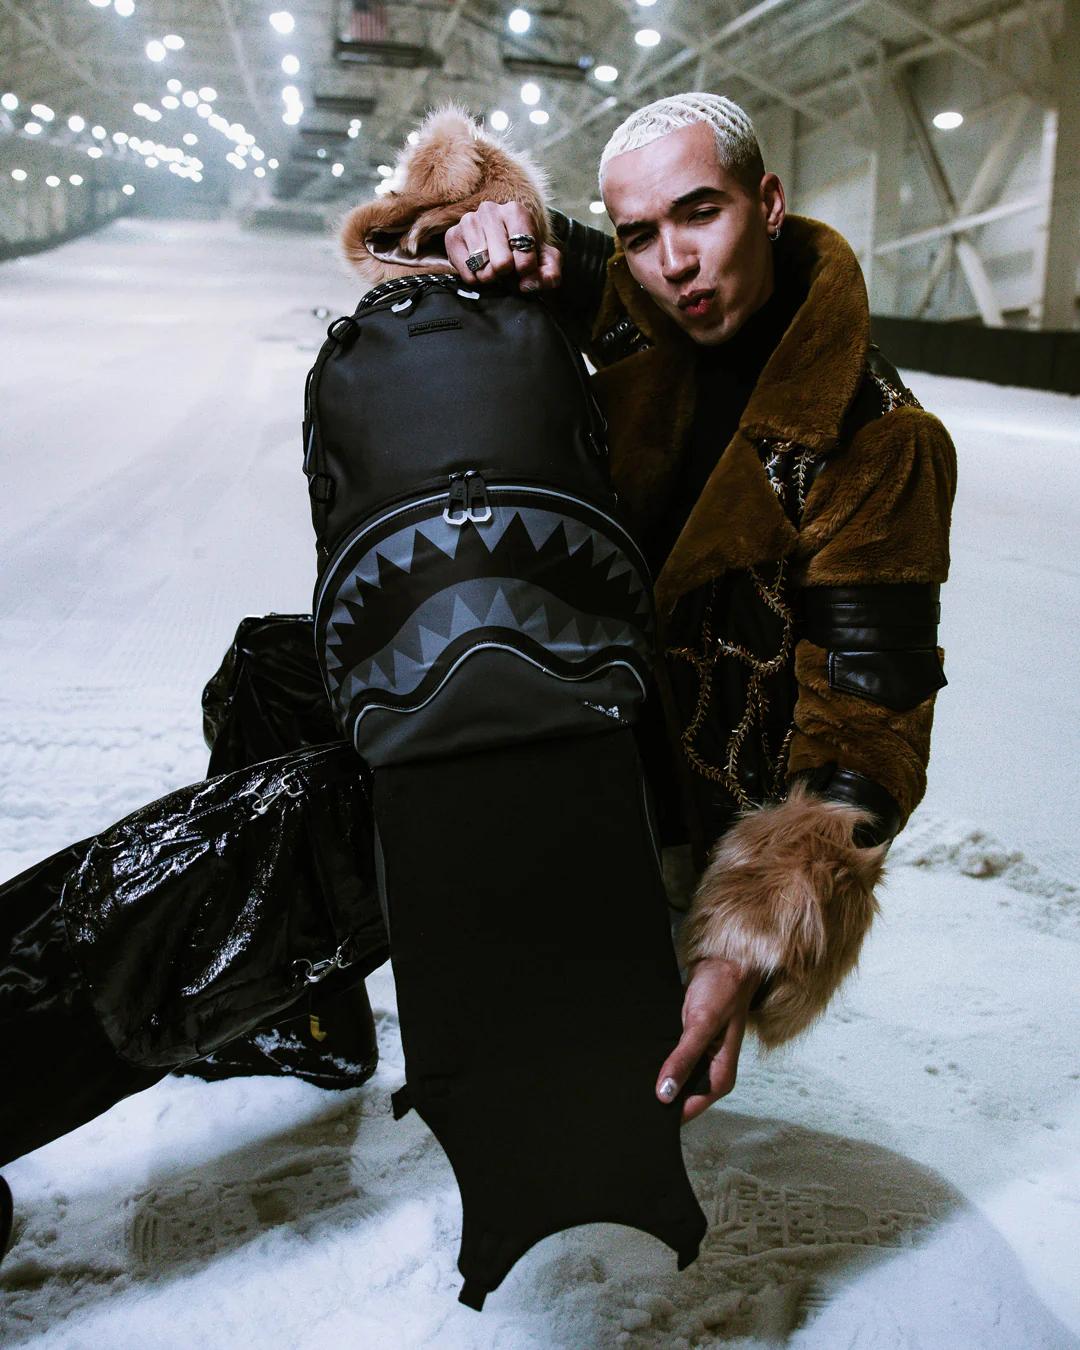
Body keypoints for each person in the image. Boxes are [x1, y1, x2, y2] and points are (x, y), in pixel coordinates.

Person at [428, 93, 956, 1123]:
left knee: (589, 1098)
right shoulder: (646, 310)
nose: (673, 263)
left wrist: (746, 937)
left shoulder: (879, 437)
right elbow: (560, 259)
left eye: (700, 213)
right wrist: (488, 222)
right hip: (566, 746)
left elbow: (870, 725)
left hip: (696, 834)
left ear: (769, 203)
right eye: (640, 234)